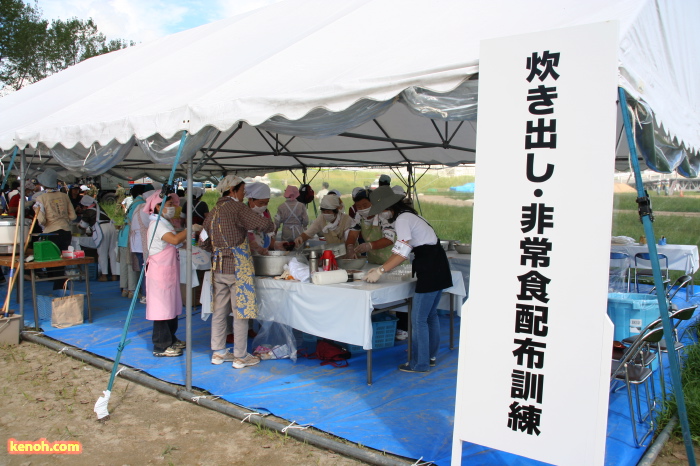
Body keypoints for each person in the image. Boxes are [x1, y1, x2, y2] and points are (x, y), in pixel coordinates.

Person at [364, 186, 452, 373]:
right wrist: (383, 267)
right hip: (439, 265)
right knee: (430, 315)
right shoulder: (411, 215)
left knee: (419, 319)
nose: (381, 215)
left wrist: (381, 270)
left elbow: (402, 253)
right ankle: (430, 357)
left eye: (381, 211)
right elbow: (401, 250)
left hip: (429, 267)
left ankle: (419, 363)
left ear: (389, 207)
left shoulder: (402, 219)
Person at [200, 175, 274, 369]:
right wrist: (269, 224)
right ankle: (240, 356)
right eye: (242, 191)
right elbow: (264, 225)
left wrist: (219, 250)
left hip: (218, 267)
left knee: (219, 310)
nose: (243, 195)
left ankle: (218, 352)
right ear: (233, 190)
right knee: (241, 311)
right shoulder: (238, 208)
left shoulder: (213, 211)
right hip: (238, 267)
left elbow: (203, 241)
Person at [142, 191, 203, 357]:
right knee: (161, 309)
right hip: (159, 272)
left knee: (171, 307)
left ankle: (171, 338)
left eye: (171, 205)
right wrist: (190, 229)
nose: (171, 208)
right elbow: (174, 240)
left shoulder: (164, 222)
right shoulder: (156, 224)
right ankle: (161, 345)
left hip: (168, 271)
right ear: (157, 206)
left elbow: (174, 240)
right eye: (168, 205)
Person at [33, 168, 77, 290]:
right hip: (66, 231)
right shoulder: (64, 196)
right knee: (63, 260)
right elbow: (73, 216)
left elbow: (41, 220)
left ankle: (59, 287)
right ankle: (62, 285)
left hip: (51, 232)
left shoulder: (41, 198)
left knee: (53, 261)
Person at [344, 188, 398, 265]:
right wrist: (350, 247)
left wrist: (369, 246)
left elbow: (389, 239)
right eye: (359, 207)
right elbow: (353, 234)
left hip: (393, 262)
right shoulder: (359, 216)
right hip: (374, 262)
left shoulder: (384, 215)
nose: (362, 209)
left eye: (365, 205)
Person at [76, 195, 119, 282]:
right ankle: (115, 275)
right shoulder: (99, 209)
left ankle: (104, 275)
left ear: (85, 205)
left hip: (101, 230)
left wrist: (78, 225)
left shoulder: (87, 211)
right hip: (111, 227)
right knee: (112, 252)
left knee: (102, 252)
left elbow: (83, 226)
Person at [117, 184, 147, 299]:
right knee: (131, 264)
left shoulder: (133, 203)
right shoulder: (141, 204)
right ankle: (132, 290)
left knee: (124, 264)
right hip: (131, 236)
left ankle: (124, 288)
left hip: (123, 235)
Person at [130, 185, 155, 303]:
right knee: (146, 270)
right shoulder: (145, 209)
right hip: (142, 243)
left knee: (142, 270)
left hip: (137, 243)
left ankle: (143, 293)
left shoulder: (138, 207)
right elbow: (152, 225)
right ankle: (146, 294)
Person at [245, 182, 276, 255]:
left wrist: (277, 244)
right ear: (250, 200)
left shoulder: (265, 213)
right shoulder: (243, 214)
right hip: (248, 255)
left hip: (263, 255)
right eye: (261, 203)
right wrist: (257, 248)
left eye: (266, 203)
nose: (263, 206)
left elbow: (268, 236)